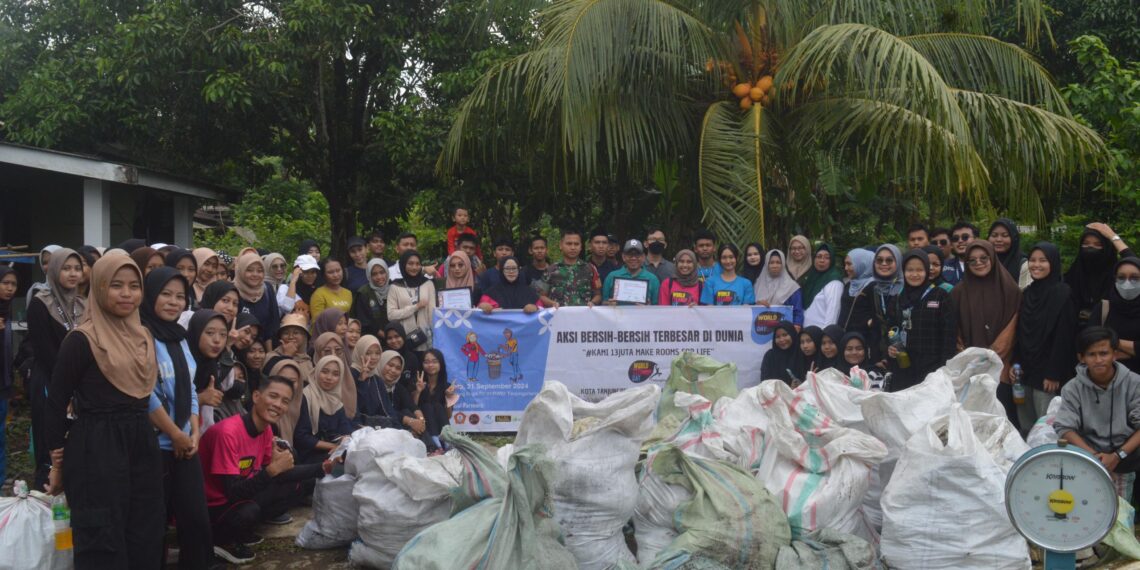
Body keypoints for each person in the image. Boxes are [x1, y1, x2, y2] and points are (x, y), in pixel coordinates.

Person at [44, 255, 164, 568]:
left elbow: (146, 398)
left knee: (145, 529)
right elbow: (56, 402)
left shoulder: (144, 337)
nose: (127, 293)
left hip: (140, 440)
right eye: (116, 286)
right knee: (102, 535)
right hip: (95, 447)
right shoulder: (82, 340)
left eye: (134, 286)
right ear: (98, 288)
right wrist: (57, 462)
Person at [198, 375, 329, 564]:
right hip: (212, 506)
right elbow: (233, 492)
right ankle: (221, 540)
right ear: (256, 396)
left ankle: (243, 529)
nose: (278, 404)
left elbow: (277, 473)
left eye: (285, 401)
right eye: (273, 396)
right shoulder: (228, 433)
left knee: (298, 485)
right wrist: (272, 471)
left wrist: (322, 467)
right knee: (249, 510)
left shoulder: (266, 430)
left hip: (238, 493)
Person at [140, 267, 213, 568]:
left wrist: (193, 433)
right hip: (156, 445)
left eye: (180, 296)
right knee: (153, 523)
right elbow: (145, 393)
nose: (173, 302)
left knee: (195, 517)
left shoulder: (181, 338)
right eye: (165, 294)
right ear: (151, 296)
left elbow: (192, 389)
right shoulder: (142, 335)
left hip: (185, 442)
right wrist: (175, 433)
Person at [1054, 327, 1140, 500]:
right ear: (1082, 358)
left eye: (1104, 353)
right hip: (1086, 460)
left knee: (1120, 517)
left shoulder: (1134, 382)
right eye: (1092, 354)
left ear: (1115, 354)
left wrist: (1117, 456)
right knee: (1088, 511)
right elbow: (1064, 427)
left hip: (1124, 459)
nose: (1099, 360)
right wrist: (1094, 457)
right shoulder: (1072, 388)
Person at [26, 247, 85, 488]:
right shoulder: (41, 303)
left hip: (79, 384)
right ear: (54, 270)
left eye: (77, 268)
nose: (73, 274)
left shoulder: (83, 304)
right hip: (50, 382)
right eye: (66, 268)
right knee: (50, 442)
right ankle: (44, 493)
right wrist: (66, 387)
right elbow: (44, 350)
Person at [952, 240, 1022, 427]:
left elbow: (1013, 327)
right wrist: (970, 359)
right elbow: (955, 329)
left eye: (984, 258)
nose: (978, 263)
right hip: (970, 369)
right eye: (972, 260)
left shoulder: (1010, 290)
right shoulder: (959, 292)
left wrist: (993, 357)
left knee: (1002, 420)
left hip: (1002, 368)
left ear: (993, 258)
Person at [1015, 242, 1078, 427]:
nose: (1036, 265)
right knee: (1025, 423)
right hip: (1025, 370)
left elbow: (1064, 337)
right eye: (1032, 260)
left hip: (1047, 373)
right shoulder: (1027, 293)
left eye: (1043, 260)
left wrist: (1053, 373)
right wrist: (1016, 363)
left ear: (1053, 263)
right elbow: (1021, 332)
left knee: (1045, 424)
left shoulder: (1062, 293)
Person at [882, 249, 956, 392]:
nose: (914, 274)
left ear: (927, 271)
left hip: (932, 369)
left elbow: (949, 335)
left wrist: (944, 369)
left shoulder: (940, 296)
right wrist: (888, 349)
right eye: (910, 270)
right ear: (903, 271)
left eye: (920, 270)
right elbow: (889, 330)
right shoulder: (897, 298)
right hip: (903, 366)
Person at [1067, 223, 1133, 326]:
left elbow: (1134, 264)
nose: (1090, 248)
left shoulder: (1117, 276)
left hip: (1109, 335)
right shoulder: (1074, 274)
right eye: (1086, 243)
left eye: (1098, 245)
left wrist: (1113, 237)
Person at [294, 356, 355, 464]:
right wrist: (332, 447)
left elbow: (346, 430)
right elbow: (301, 437)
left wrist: (344, 441)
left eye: (335, 374)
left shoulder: (337, 401)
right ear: (317, 372)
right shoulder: (306, 397)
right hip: (309, 455)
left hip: (334, 453)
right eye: (325, 372)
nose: (329, 377)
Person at [1088, 257, 1140, 374]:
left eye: (1135, 278)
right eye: (1121, 278)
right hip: (1105, 380)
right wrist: (1133, 351)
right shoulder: (1104, 308)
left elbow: (1099, 341)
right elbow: (1089, 341)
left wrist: (1112, 341)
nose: (1127, 283)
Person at [375, 350, 435, 450]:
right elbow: (383, 410)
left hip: (397, 424)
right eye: (390, 365)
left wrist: (421, 421)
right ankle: (430, 447)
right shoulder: (374, 384)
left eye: (398, 368)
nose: (393, 370)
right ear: (381, 363)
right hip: (380, 426)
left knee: (408, 411)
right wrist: (410, 421)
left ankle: (429, 447)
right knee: (405, 414)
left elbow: (411, 405)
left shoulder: (397, 386)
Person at [188, 310, 229, 431]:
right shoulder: (180, 361)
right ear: (196, 332)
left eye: (223, 334)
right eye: (210, 333)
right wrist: (200, 398)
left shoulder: (211, 365)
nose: (217, 340)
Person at [388, 251, 437, 350]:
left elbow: (433, 313)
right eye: (410, 264)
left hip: (425, 340)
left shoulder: (428, 284)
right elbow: (391, 315)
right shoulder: (395, 286)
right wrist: (415, 307)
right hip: (404, 340)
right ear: (403, 265)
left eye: (418, 264)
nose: (414, 267)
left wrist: (434, 335)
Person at [541, 230, 601, 307]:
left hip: (584, 316)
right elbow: (542, 296)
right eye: (569, 244)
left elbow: (598, 295)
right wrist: (552, 304)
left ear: (581, 247)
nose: (573, 247)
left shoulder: (590, 269)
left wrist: (593, 302)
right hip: (559, 316)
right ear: (561, 245)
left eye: (576, 244)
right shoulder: (551, 270)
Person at [837, 249, 877, 357]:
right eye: (845, 264)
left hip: (863, 342)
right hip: (846, 339)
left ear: (862, 264)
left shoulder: (873, 287)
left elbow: (876, 316)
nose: (846, 268)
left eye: (850, 264)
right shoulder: (849, 285)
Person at [415, 349, 457, 450]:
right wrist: (418, 391)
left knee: (438, 406)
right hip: (423, 427)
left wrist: (448, 397)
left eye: (434, 361)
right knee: (427, 406)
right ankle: (436, 445)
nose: (430, 365)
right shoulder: (416, 383)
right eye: (426, 362)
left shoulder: (447, 386)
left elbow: (448, 415)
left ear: (440, 364)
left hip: (440, 427)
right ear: (422, 364)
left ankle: (448, 442)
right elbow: (412, 407)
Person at [235, 253, 280, 344]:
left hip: (261, 350)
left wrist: (268, 353)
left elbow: (272, 324)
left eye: (259, 271)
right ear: (241, 270)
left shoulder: (267, 289)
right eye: (250, 270)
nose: (255, 274)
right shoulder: (233, 290)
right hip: (237, 346)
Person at [869, 244, 904, 363]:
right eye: (879, 260)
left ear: (898, 262)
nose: (884, 264)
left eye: (889, 260)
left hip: (903, 352)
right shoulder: (874, 289)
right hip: (881, 354)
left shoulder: (906, 289)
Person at [602, 240, 661, 306]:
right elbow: (603, 302)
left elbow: (657, 307)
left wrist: (649, 307)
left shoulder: (653, 279)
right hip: (617, 315)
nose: (633, 258)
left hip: (643, 316)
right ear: (623, 257)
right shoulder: (611, 276)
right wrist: (609, 304)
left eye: (637, 255)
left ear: (643, 257)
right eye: (630, 255)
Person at [753, 250, 804, 325]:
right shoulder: (757, 284)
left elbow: (798, 312)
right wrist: (757, 305)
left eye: (778, 262)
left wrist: (796, 327)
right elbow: (749, 308)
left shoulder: (792, 287)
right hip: (760, 329)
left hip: (784, 332)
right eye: (771, 262)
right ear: (767, 264)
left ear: (783, 264)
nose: (775, 265)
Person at [0, 267, 17, 484]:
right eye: (5, 283)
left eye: (13, 284)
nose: (10, 288)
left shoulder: (7, 311)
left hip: (2, 387)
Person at [350, 334, 389, 426]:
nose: (374, 357)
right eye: (368, 353)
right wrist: (361, 381)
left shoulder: (376, 378)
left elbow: (387, 408)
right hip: (358, 428)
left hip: (377, 427)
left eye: (377, 353)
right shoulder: (351, 374)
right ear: (360, 353)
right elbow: (353, 409)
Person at [802, 244, 844, 327]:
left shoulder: (834, 281)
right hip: (806, 334)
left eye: (827, 257)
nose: (822, 260)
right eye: (819, 256)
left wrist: (827, 336)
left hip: (821, 333)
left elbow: (833, 311)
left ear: (832, 260)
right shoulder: (811, 277)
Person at [267, 313, 314, 379]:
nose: (291, 337)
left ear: (304, 336)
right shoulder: (271, 357)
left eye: (296, 333)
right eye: (286, 333)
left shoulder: (307, 361)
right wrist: (287, 356)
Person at [988, 218, 1030, 289]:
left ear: (1014, 238)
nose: (999, 240)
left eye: (1005, 235)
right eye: (994, 235)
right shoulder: (983, 261)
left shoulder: (1024, 265)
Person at [353, 258, 390, 338]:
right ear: (369, 275)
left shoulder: (394, 288)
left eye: (382, 272)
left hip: (395, 338)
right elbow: (363, 320)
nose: (379, 277)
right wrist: (383, 335)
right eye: (374, 274)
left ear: (387, 272)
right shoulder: (363, 293)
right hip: (372, 338)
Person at [384, 323, 423, 391]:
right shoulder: (383, 357)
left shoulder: (412, 358)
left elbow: (414, 382)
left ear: (403, 336)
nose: (393, 341)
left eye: (397, 336)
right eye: (389, 338)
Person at [941, 222, 978, 286]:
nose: (960, 241)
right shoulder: (943, 266)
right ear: (952, 244)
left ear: (976, 239)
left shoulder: (985, 264)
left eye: (965, 237)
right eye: (955, 238)